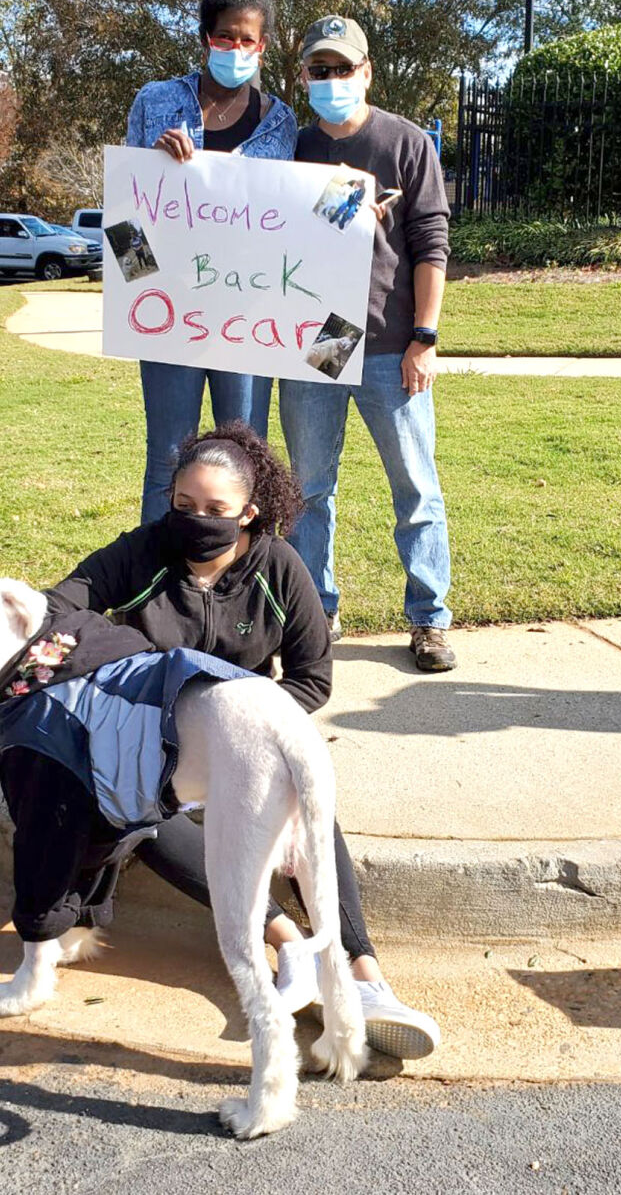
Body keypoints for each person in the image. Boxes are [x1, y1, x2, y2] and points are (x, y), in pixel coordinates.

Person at [47, 422, 442, 1059]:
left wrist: (251, 729)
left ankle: (365, 978)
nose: (195, 519)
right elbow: (61, 605)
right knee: (135, 818)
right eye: (183, 506)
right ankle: (287, 942)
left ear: (249, 512)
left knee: (313, 805)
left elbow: (313, 679)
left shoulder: (280, 566)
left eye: (215, 510)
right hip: (157, 744)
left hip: (249, 738)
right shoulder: (142, 554)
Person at [278, 15, 456, 673]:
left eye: (342, 69)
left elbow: (431, 244)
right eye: (318, 71)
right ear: (302, 78)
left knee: (415, 486)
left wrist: (424, 338)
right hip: (320, 339)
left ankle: (428, 619)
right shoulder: (291, 149)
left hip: (388, 342)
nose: (331, 82)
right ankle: (315, 612)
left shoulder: (406, 143)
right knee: (308, 488)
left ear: (366, 72)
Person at [124, 0, 298, 525]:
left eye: (249, 40)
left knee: (247, 462)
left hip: (248, 321)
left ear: (264, 45)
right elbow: (125, 220)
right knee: (167, 462)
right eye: (226, 38)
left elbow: (297, 221)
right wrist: (139, 294)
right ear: (205, 38)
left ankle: (242, 586)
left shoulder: (282, 122)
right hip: (170, 316)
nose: (237, 49)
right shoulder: (155, 104)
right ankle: (152, 589)